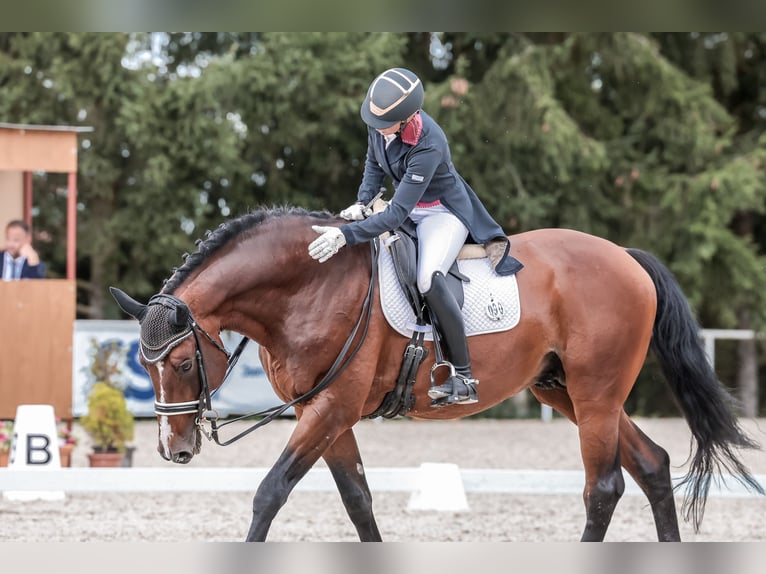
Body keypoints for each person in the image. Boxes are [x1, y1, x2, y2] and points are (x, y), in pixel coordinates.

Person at [309, 67, 522, 406]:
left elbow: (396, 215)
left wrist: (345, 236)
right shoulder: (380, 124)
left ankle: (464, 376)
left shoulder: (429, 142)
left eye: (384, 124)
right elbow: (373, 165)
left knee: (427, 278)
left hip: (442, 213)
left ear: (407, 118)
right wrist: (362, 202)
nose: (377, 129)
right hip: (407, 206)